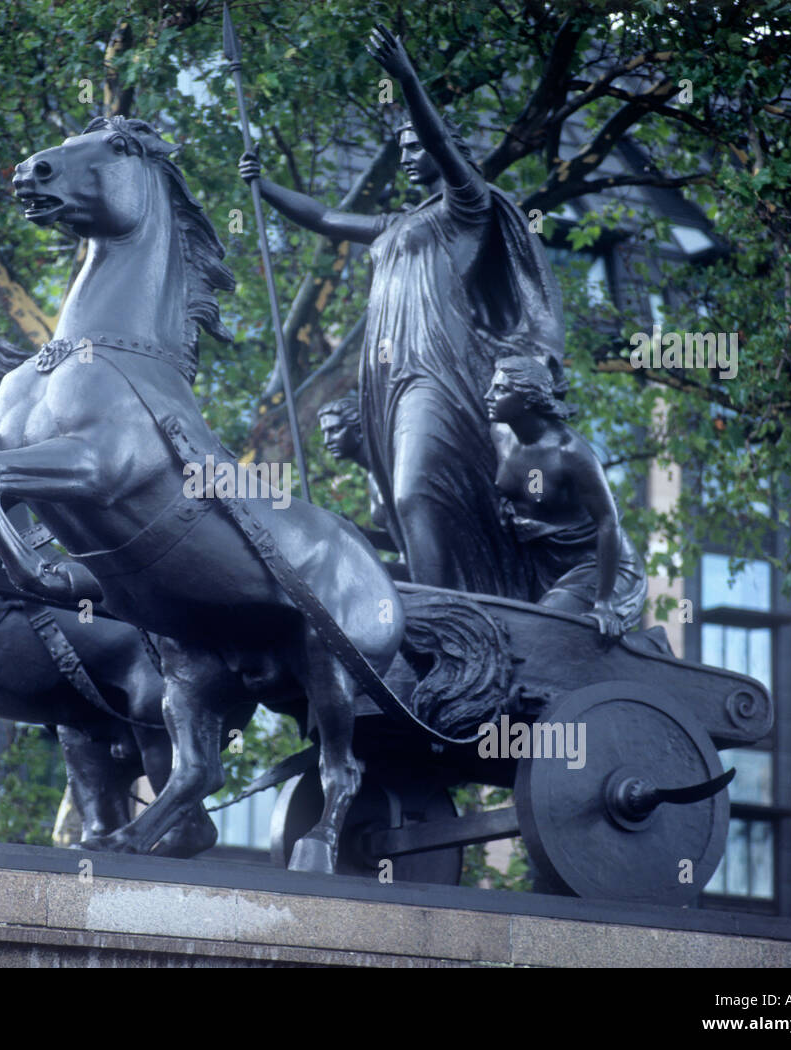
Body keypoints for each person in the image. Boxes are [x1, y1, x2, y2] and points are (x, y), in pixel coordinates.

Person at [239, 24, 565, 598]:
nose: (411, 157)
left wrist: (407, 78)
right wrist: (262, 186)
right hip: (386, 378)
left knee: (417, 490)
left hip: (440, 371)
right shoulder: (397, 225)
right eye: (404, 149)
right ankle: (435, 596)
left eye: (419, 147)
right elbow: (323, 218)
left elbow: (439, 143)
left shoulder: (468, 206)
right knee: (398, 498)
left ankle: (441, 614)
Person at [485, 357, 646, 638]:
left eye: (500, 390)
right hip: (542, 558)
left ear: (527, 400)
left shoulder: (570, 453)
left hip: (598, 566)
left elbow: (608, 522)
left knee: (541, 629)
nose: (489, 396)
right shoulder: (500, 433)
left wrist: (604, 602)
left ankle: (651, 645)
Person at [317, 394, 401, 563]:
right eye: (325, 433)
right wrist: (362, 534)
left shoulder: (392, 471)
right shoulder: (373, 476)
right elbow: (402, 542)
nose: (327, 441)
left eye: (334, 430)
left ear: (359, 429)